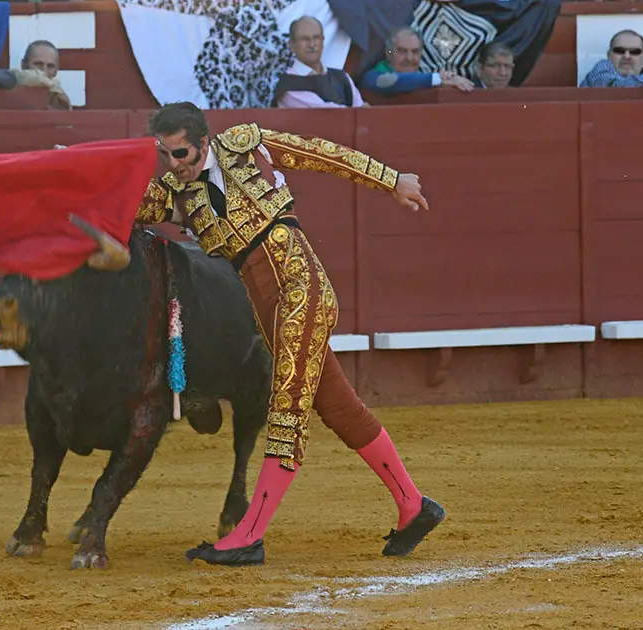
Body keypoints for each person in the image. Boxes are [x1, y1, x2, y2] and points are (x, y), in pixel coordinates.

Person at [132, 102, 445, 566]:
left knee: (286, 411)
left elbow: (320, 154)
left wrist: (391, 179)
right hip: (266, 308)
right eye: (166, 156)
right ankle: (413, 505)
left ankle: (249, 534)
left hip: (300, 290)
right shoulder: (177, 194)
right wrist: (81, 172)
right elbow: (128, 207)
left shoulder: (243, 147)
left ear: (202, 142)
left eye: (181, 153)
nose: (174, 164)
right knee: (338, 406)